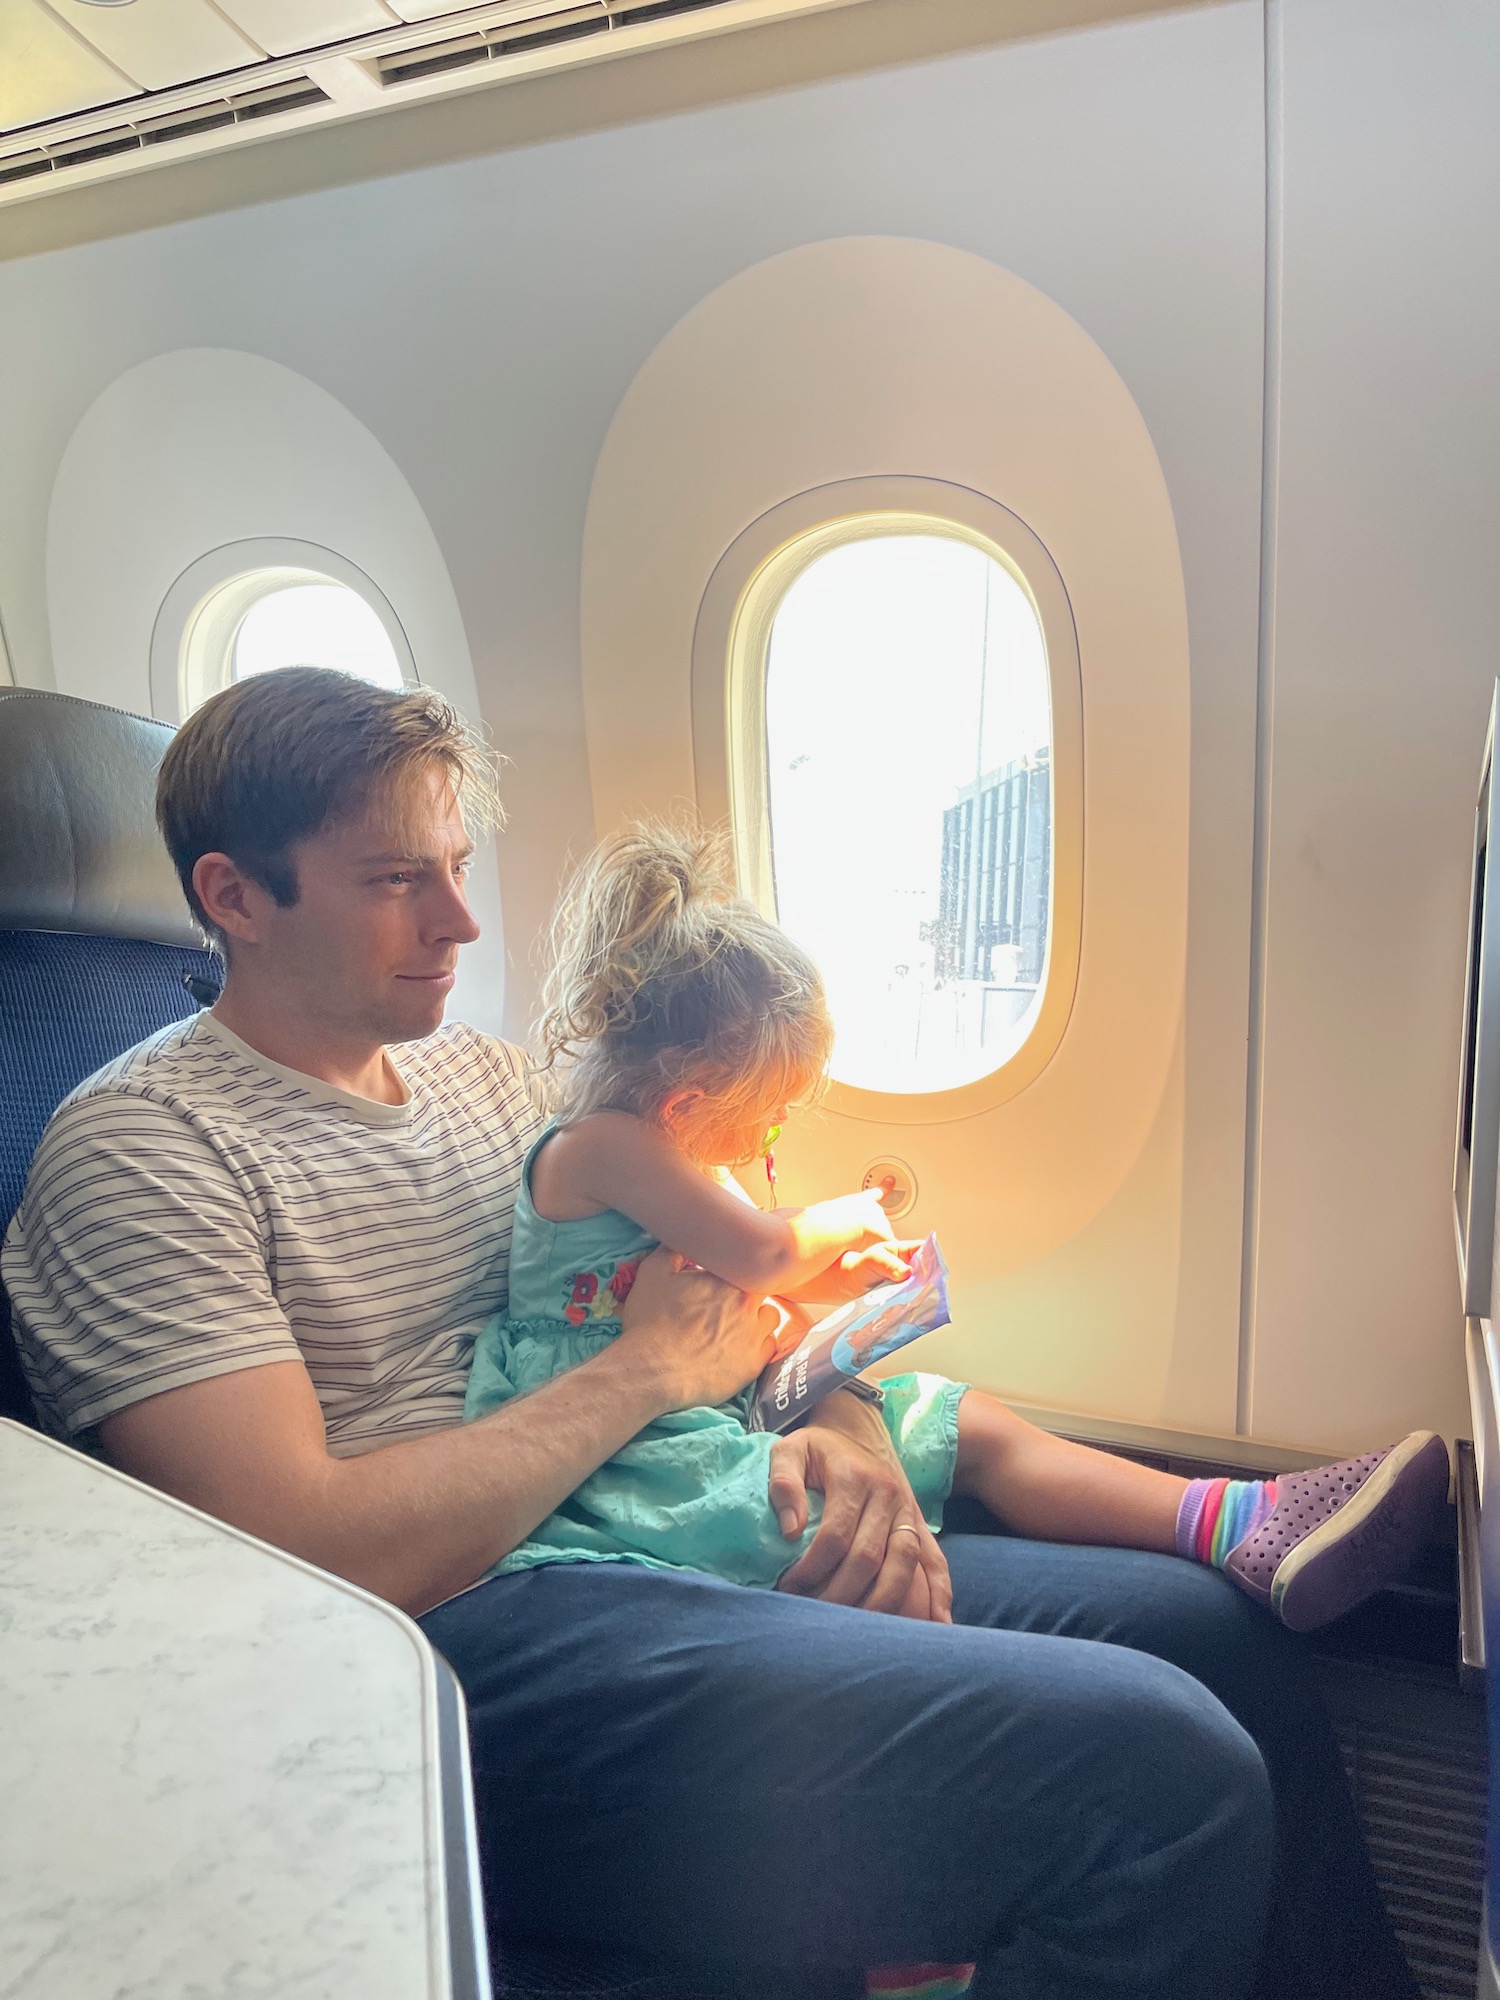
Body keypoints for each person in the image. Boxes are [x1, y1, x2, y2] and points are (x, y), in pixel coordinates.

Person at [1, 667, 1423, 2000]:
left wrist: (843, 1427)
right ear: (233, 895)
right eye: (394, 882)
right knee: (1156, 1774)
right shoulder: (143, 1153)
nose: (459, 924)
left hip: (651, 1514)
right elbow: (308, 1551)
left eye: (454, 869)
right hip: (450, 1641)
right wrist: (642, 1377)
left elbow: (754, 1308)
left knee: (1215, 1631)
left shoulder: (493, 1087)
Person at [467, 821, 1448, 1631]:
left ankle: (1239, 1516)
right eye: (767, 1108)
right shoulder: (601, 1144)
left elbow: (750, 1271)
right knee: (773, 1501)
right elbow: (761, 1250)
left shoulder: (675, 1150)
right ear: (687, 1099)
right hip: (628, 1440)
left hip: (710, 1388)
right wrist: (848, 1218)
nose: (772, 1131)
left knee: (960, 1414)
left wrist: (849, 1284)